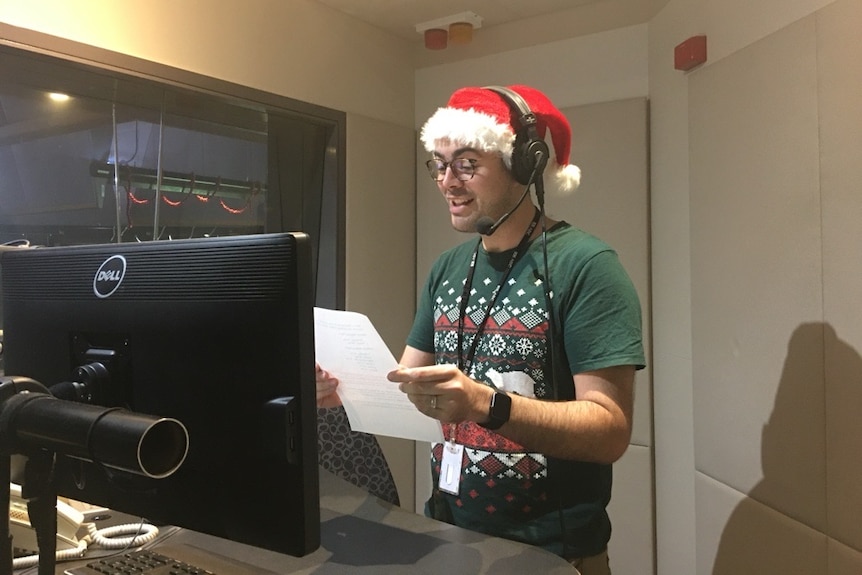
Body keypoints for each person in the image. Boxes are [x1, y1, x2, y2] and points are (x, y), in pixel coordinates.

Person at [316, 84, 645, 574]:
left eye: (467, 164)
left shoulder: (587, 266)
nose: (447, 181)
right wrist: (344, 389)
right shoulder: (447, 269)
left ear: (523, 165)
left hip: (549, 557)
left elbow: (609, 431)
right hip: (446, 540)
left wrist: (487, 405)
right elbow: (406, 383)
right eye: (440, 163)